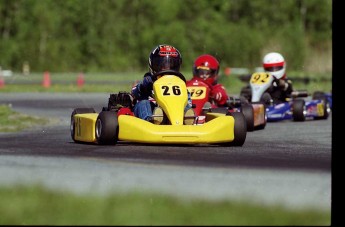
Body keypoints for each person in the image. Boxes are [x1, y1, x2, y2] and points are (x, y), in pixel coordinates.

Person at [131, 44, 193, 122]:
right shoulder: (148, 80)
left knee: (186, 106)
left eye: (171, 65)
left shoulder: (179, 83)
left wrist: (187, 106)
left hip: (173, 114)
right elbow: (134, 92)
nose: (167, 68)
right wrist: (143, 87)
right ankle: (150, 120)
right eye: (163, 65)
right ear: (154, 65)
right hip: (152, 111)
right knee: (143, 103)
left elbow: (188, 100)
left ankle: (187, 119)